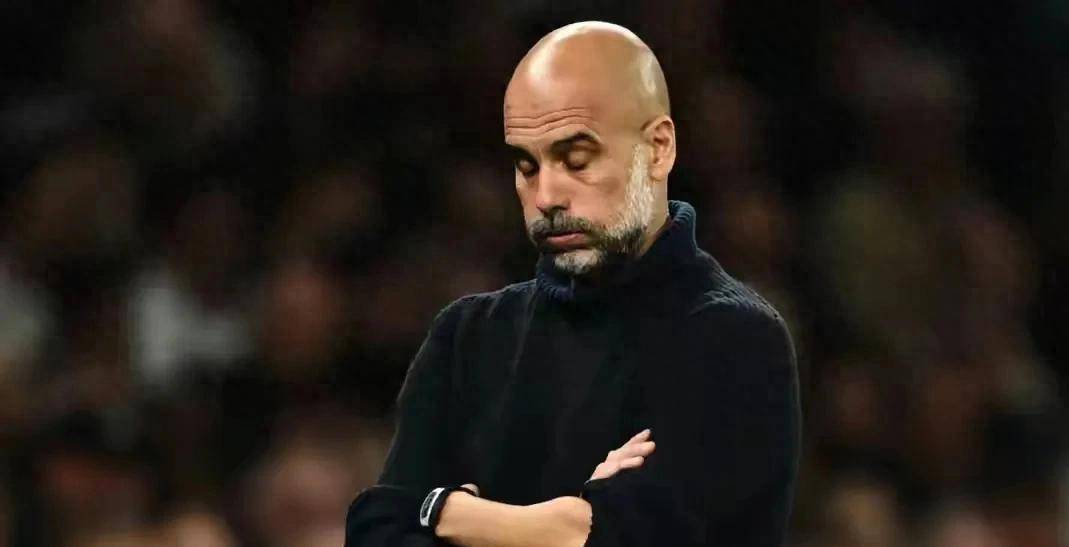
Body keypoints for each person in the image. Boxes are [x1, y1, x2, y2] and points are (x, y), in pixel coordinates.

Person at [345, 21, 800, 547]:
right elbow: (375, 530)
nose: (546, 197)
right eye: (526, 166)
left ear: (658, 149)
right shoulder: (465, 337)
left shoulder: (734, 337)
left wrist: (445, 512)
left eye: (576, 159)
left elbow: (629, 537)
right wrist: (565, 519)